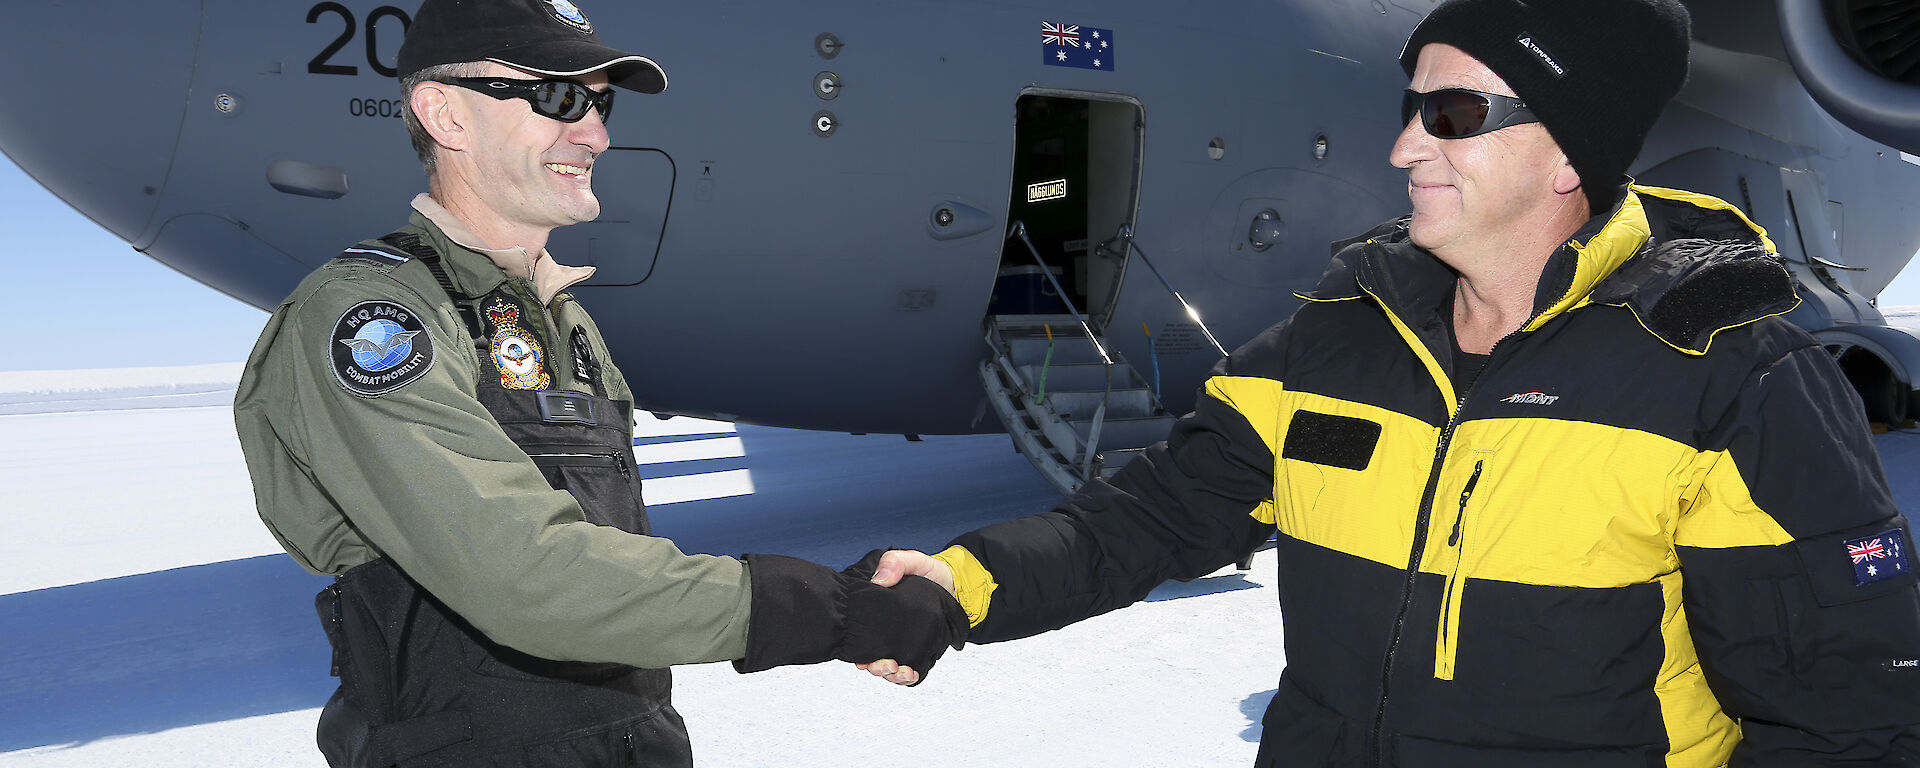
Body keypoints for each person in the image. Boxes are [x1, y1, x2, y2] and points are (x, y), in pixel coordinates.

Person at [864, 0, 1920, 763]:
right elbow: (1143, 518)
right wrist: (964, 583)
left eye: (1453, 115)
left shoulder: (1729, 379)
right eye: (1412, 107)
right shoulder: (1337, 339)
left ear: (1570, 156)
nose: (1405, 144)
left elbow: (1846, 719)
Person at [232, 1, 963, 765]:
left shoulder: (561, 318)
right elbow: (525, 576)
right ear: (443, 113)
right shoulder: (371, 319)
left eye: (599, 101)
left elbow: (606, 556)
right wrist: (828, 609)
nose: (596, 132)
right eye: (555, 97)